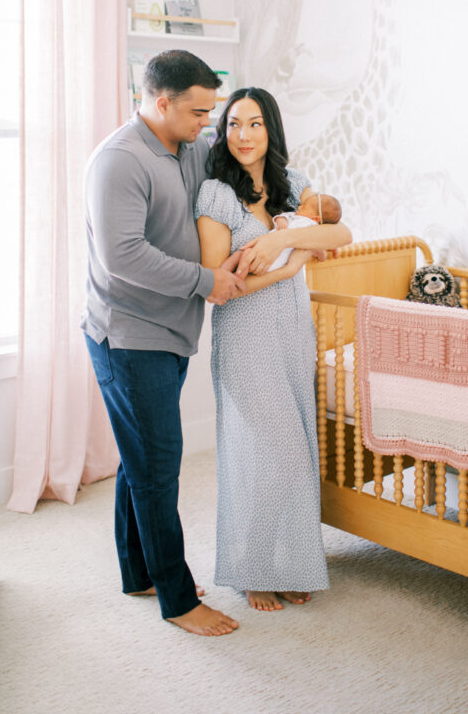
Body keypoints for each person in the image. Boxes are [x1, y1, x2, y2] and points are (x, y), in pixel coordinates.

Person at [80, 50, 245, 637]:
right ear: (162, 102)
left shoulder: (190, 147)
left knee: (141, 458)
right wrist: (207, 281)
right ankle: (177, 600)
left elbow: (240, 174)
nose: (208, 123)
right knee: (158, 467)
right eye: (199, 112)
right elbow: (122, 256)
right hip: (129, 336)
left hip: (169, 330)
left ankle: (138, 573)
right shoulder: (119, 161)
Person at [195, 87, 352, 612]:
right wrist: (290, 264)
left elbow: (342, 233)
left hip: (292, 332)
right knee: (279, 452)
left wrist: (281, 241)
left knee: (290, 452)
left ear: (271, 130)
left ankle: (282, 564)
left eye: (255, 123)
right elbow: (220, 285)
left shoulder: (294, 185)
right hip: (245, 335)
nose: (243, 135)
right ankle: (251, 566)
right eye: (233, 124)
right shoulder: (216, 194)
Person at [267, 192, 343, 270]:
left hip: (280, 255)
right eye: (301, 205)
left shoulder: (312, 227)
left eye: (304, 207)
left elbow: (317, 246)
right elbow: (284, 215)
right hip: (271, 241)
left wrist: (324, 246)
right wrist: (282, 220)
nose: (299, 207)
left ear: (316, 218)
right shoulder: (296, 215)